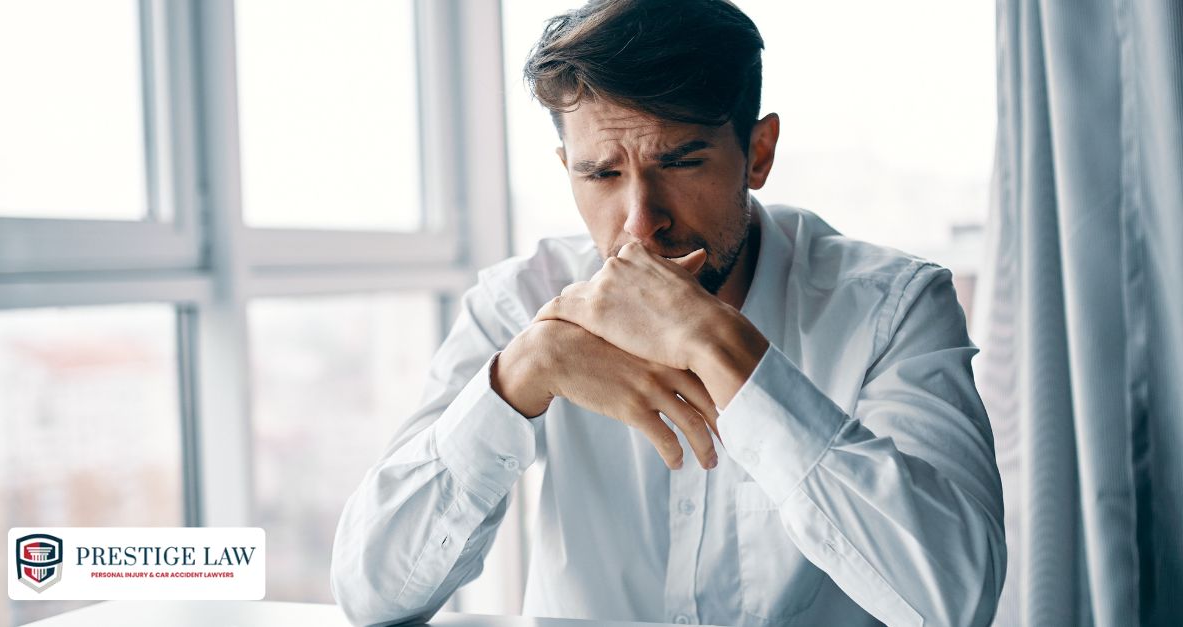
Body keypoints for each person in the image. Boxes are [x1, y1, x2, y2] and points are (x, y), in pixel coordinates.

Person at [330, 0, 1005, 625]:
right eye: (601, 174)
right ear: (568, 167)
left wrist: (717, 345)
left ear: (758, 153)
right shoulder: (519, 304)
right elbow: (369, 591)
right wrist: (519, 376)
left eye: (679, 162)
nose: (639, 223)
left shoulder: (892, 308)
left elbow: (957, 600)